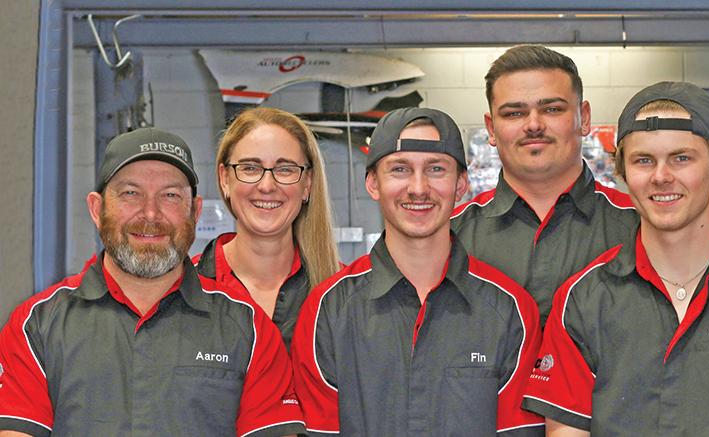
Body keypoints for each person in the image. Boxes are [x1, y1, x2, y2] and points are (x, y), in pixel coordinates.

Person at [523, 82, 709, 436]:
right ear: (622, 173)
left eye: (681, 158)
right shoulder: (582, 300)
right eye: (643, 161)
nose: (661, 177)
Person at [0, 128, 304, 436]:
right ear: (96, 209)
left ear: (195, 211)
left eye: (170, 195)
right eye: (130, 193)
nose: (150, 213)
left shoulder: (248, 328)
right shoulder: (37, 326)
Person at [292, 108, 544, 436]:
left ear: (461, 184)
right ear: (373, 183)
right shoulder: (328, 311)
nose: (418, 188)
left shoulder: (510, 312)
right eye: (400, 169)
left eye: (436, 169)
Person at [452, 45, 638, 326]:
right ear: (491, 128)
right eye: (514, 113)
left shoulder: (640, 227)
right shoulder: (450, 237)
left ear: (584, 118)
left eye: (552, 109)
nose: (534, 125)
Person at [194, 107, 341, 348]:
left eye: (285, 169)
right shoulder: (187, 287)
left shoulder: (343, 292)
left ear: (307, 184)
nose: (267, 185)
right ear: (224, 178)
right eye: (250, 168)